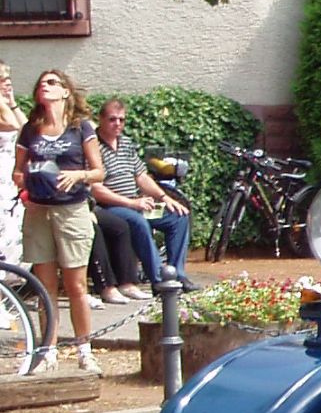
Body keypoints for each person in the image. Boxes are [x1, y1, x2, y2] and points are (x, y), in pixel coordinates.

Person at [11, 69, 105, 373]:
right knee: (44, 286)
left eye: (52, 83)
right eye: (41, 84)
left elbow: (98, 172)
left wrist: (78, 175)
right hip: (38, 211)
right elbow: (17, 171)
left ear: (66, 91)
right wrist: (24, 182)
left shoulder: (81, 128)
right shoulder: (30, 129)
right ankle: (47, 351)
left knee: (76, 286)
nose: (45, 87)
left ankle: (84, 349)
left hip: (71, 211)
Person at [90, 98, 192, 297]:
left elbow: (141, 176)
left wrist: (165, 198)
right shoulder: (93, 146)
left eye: (122, 120)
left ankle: (177, 275)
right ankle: (159, 280)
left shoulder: (126, 143)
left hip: (137, 203)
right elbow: (96, 190)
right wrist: (132, 203)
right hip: (112, 207)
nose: (117, 124)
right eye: (112, 119)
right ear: (100, 119)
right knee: (138, 222)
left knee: (178, 217)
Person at [0, 61, 22, 263]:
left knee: (12, 241)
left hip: (9, 183)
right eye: (1, 79)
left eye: (8, 78)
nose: (6, 83)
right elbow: (12, 125)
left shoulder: (6, 107)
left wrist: (12, 103)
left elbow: (25, 128)